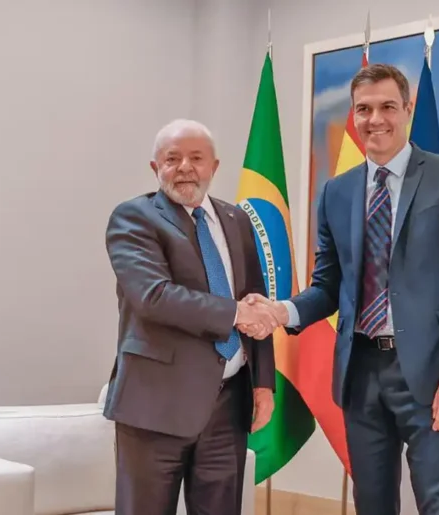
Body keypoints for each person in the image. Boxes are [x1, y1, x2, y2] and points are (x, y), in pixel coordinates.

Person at [241, 64, 439, 514]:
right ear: (354, 115)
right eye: (363, 109)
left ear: (407, 110)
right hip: (360, 374)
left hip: (431, 373)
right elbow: (327, 287)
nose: (375, 119)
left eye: (387, 107)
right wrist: (282, 311)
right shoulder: (336, 192)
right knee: (372, 504)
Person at [103, 119, 279, 515]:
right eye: (172, 159)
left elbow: (256, 299)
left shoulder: (237, 220)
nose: (185, 167)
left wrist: (263, 382)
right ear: (156, 168)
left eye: (196, 158)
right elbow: (154, 297)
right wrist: (236, 313)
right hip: (155, 407)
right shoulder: (134, 218)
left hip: (228, 406)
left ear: (214, 167)